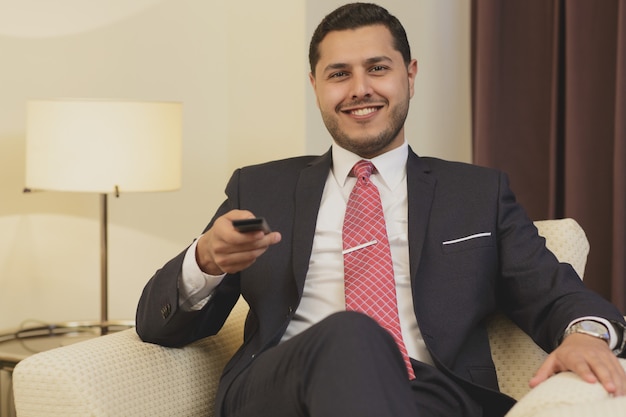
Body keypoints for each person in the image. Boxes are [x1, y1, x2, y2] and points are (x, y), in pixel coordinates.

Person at [136, 3, 626, 417]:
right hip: (282, 386)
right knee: (351, 334)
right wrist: (205, 260)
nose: (359, 89)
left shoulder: (477, 194)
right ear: (315, 86)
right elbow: (156, 325)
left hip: (430, 392)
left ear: (409, 75)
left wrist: (585, 334)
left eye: (377, 68)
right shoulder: (260, 189)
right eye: (338, 74)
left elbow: (553, 293)